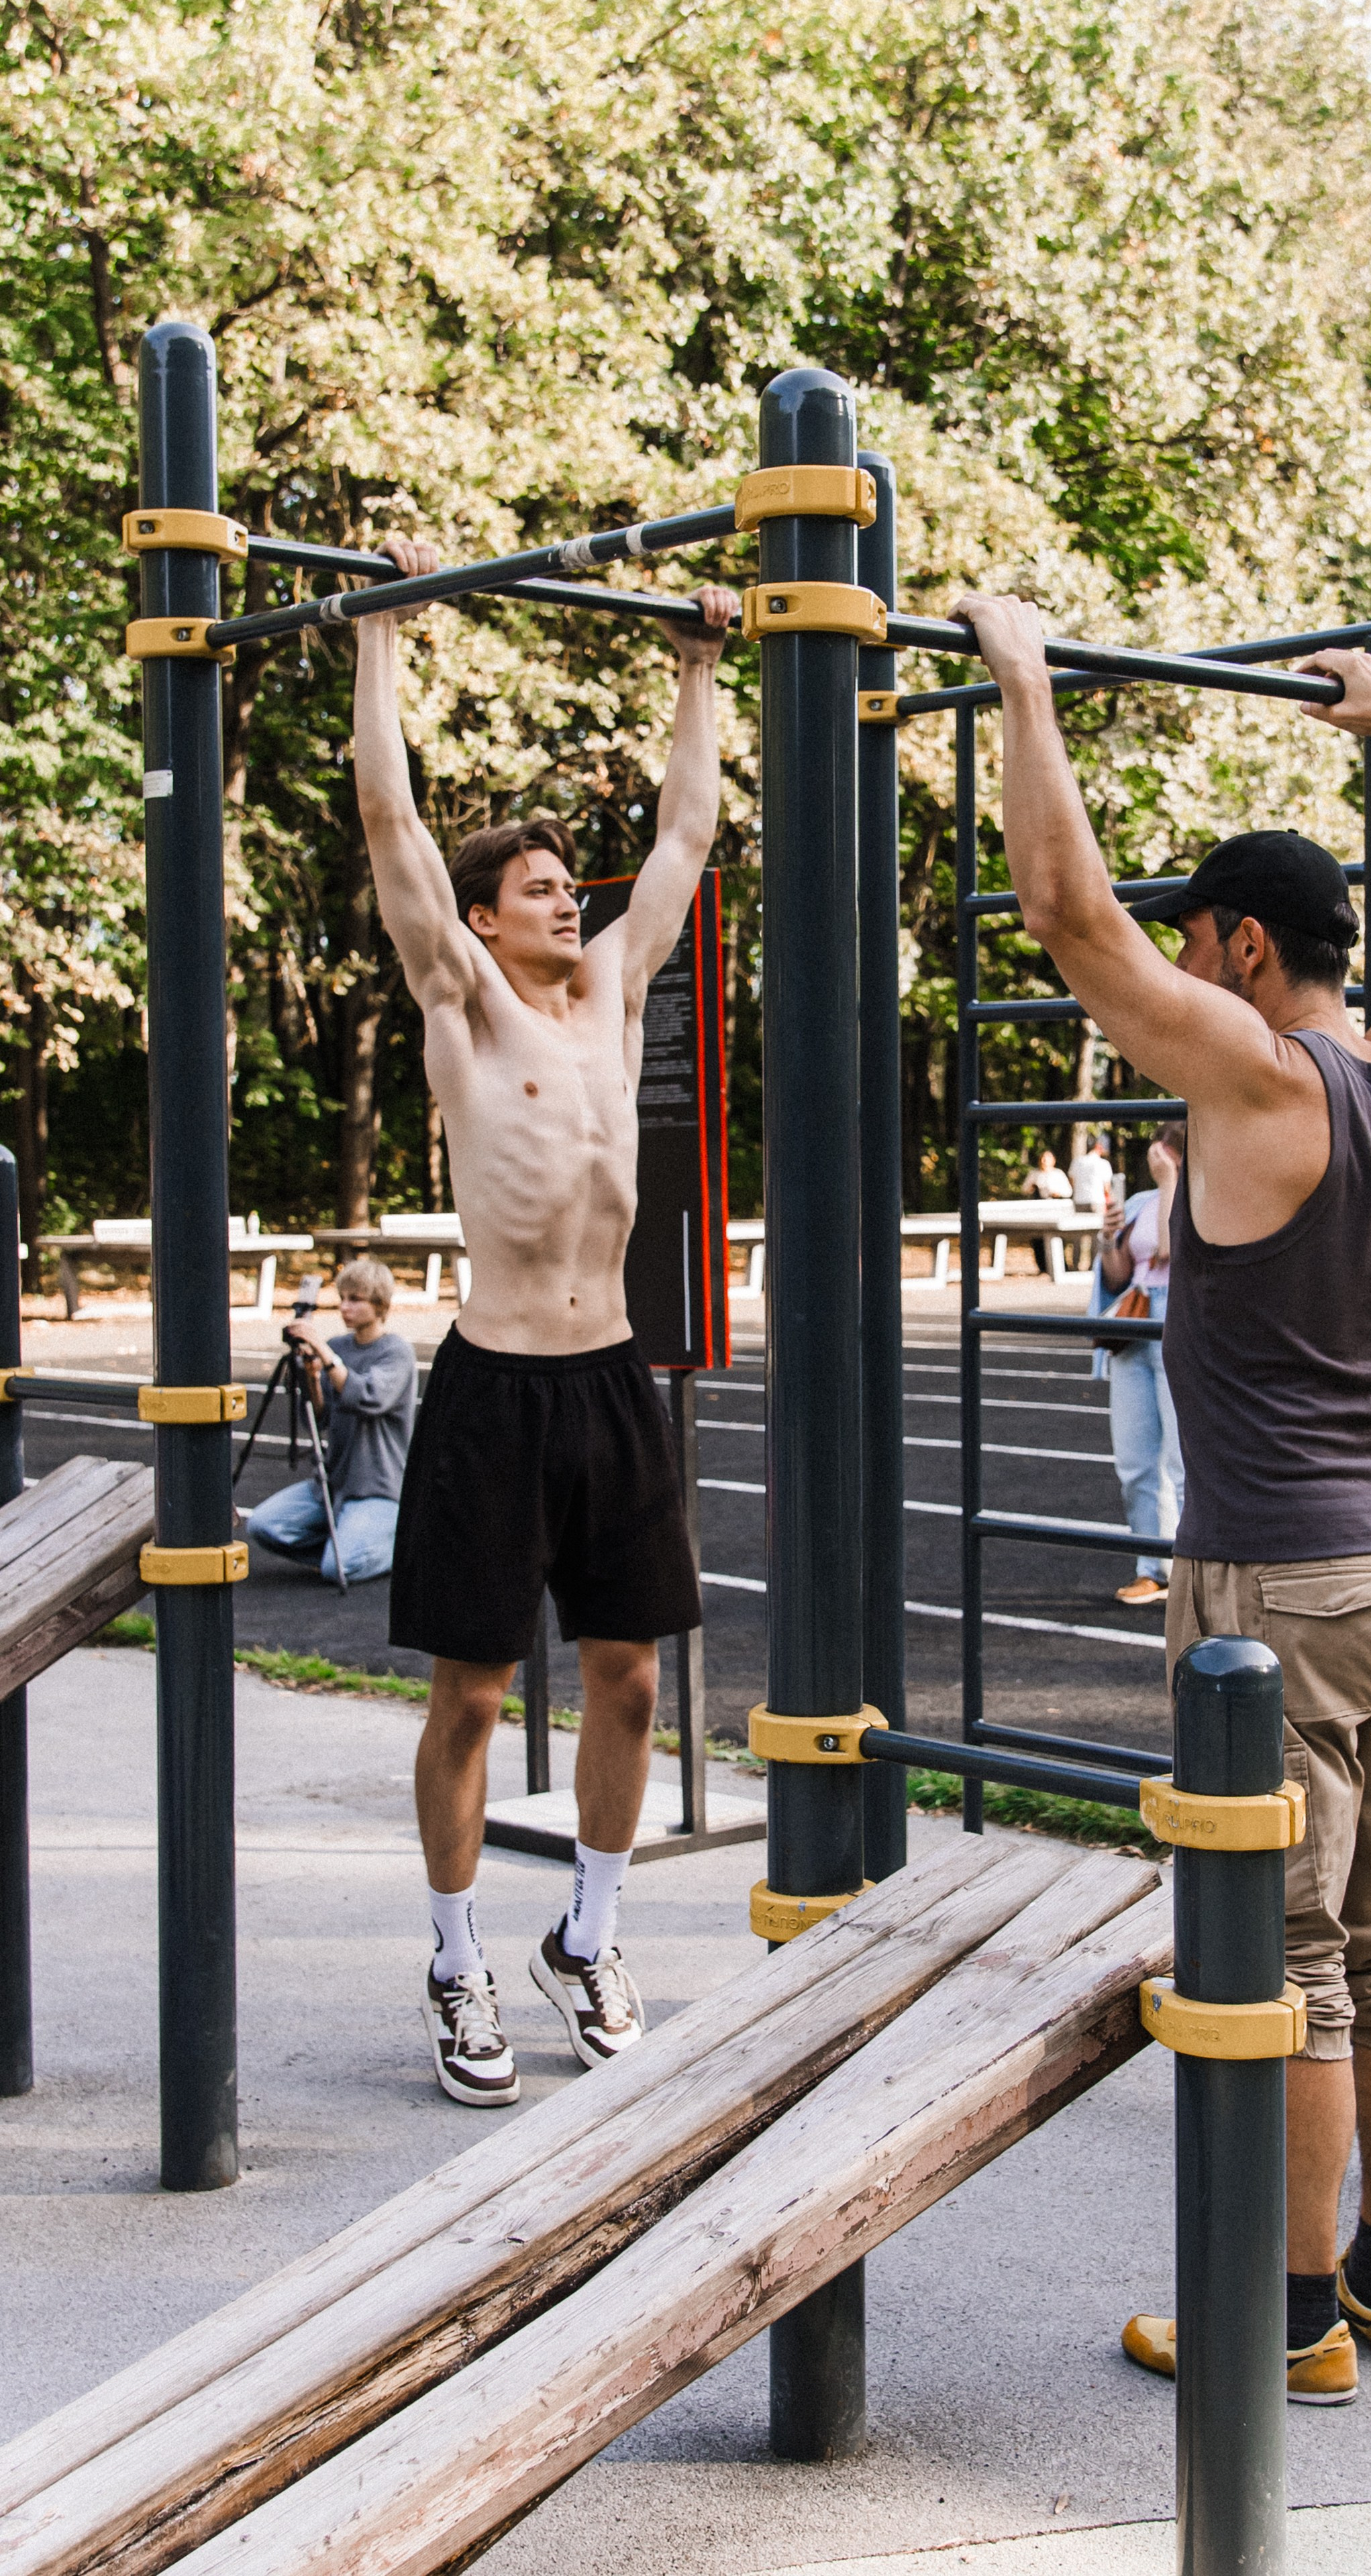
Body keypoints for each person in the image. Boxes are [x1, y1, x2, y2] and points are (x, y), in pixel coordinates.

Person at [955, 588, 1371, 2410]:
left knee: (1300, 1962)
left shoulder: (1259, 1080)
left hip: (1282, 1584)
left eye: (1209, 944)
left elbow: (1070, 923)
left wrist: (1023, 676)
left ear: (1244, 946)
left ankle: (1298, 2313)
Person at [352, 535, 740, 2108]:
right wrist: (385, 629)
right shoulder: (461, 998)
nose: (564, 895)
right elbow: (388, 813)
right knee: (470, 1692)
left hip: (606, 1378)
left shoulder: (618, 988)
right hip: (495, 1385)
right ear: (480, 917)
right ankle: (455, 1957)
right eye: (533, 884)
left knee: (632, 1675)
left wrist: (700, 666)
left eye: (567, 883)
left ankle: (585, 1935)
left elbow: (687, 828)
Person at [246, 1258, 416, 1584]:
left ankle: (394, 1546)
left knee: (340, 1569)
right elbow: (319, 1416)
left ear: (380, 1304)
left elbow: (368, 1398)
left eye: (356, 1299)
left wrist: (324, 1353)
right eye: (342, 1298)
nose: (345, 1307)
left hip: (378, 1486)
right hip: (335, 1481)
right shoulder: (339, 1347)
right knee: (264, 1526)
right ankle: (345, 1545)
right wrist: (312, 1377)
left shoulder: (396, 1352)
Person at [1092, 1124, 1184, 1606]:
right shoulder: (1142, 1202)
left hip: (1181, 1323)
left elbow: (1173, 1250)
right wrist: (1108, 1239)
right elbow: (1117, 1275)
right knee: (1135, 1461)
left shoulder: (1200, 1195)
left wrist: (1172, 1184)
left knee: (1182, 1460)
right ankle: (1153, 1567)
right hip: (1137, 1322)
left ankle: (1193, 1571)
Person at [1021, 1143, 1074, 1273]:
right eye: (1043, 1158)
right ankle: (1042, 1267)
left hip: (1054, 1209)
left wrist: (1058, 1193)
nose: (1044, 1161)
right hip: (1037, 1209)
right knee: (1038, 1239)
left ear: (1053, 1161)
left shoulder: (1058, 1174)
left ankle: (1060, 1267)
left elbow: (1068, 1191)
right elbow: (1024, 1189)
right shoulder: (1034, 1174)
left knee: (1056, 1238)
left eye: (1048, 1158)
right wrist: (1032, 1188)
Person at [1067, 1130, 1114, 1271]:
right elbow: (1107, 1188)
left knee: (1077, 1234)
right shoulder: (1103, 1164)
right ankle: (1094, 1265)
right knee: (1096, 1235)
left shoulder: (1078, 1161)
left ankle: (1075, 1265)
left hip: (1079, 1200)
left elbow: (1072, 1182)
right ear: (1099, 1147)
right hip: (1097, 1201)